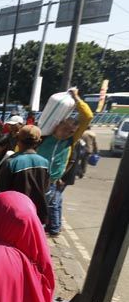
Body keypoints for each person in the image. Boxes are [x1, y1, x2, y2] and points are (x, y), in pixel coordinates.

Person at [36, 89, 94, 237]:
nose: (68, 132)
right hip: (35, 181)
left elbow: (87, 117)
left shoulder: (70, 142)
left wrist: (76, 98)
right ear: (56, 125)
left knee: (43, 214)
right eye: (66, 128)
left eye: (72, 131)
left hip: (52, 183)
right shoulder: (42, 138)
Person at [0, 125, 50, 223]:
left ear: (17, 140)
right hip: (35, 215)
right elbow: (46, 189)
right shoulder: (45, 163)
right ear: (39, 142)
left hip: (14, 214)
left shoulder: (11, 162)